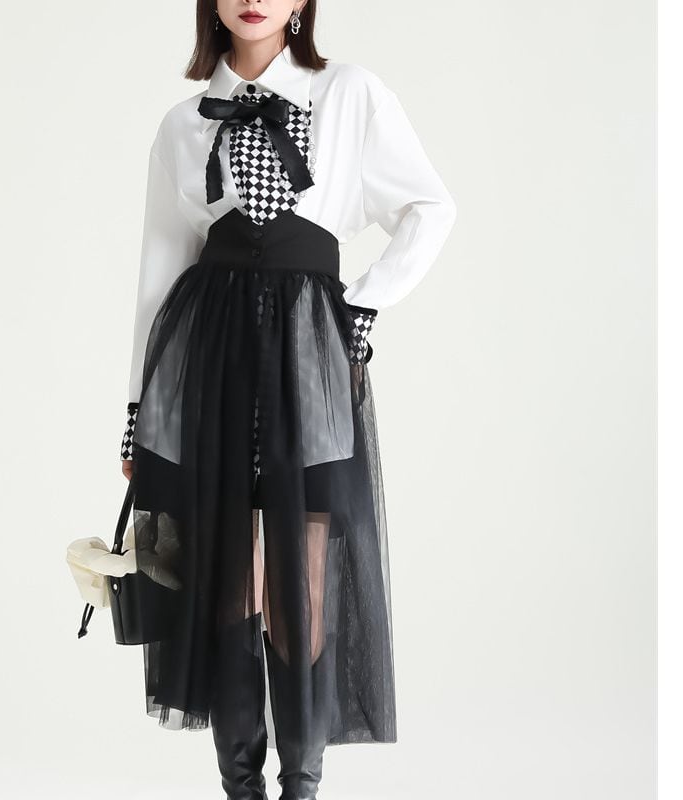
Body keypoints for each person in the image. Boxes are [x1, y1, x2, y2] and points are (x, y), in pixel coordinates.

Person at [117, 2, 456, 798]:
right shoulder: (184, 123)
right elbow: (160, 277)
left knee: (304, 581)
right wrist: (139, 417)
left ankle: (301, 784)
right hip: (213, 358)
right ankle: (242, 787)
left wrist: (361, 306)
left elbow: (430, 208)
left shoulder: (349, 93)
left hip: (310, 353)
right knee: (228, 579)